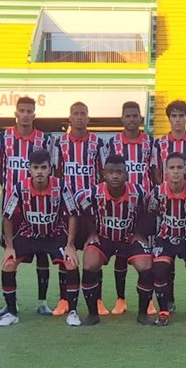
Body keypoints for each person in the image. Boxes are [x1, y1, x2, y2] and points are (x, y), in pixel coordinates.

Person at [0, 150, 80, 327]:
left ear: (50, 169)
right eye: (36, 168)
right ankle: (11, 312)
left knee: (71, 262)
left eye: (44, 167)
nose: (40, 172)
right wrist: (10, 246)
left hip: (54, 233)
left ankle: (72, 311)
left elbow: (73, 214)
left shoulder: (61, 186)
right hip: (29, 233)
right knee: (8, 263)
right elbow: (7, 216)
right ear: (29, 169)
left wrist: (70, 244)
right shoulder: (20, 187)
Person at [0, 96, 55, 317]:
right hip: (12, 205)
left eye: (30, 111)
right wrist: (10, 187)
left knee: (42, 253)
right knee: (11, 252)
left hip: (39, 205)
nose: (26, 114)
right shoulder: (3, 137)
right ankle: (11, 302)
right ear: (16, 113)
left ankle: (42, 301)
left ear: (34, 114)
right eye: (22, 110)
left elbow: (51, 170)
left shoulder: (45, 140)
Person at [75, 154, 154, 326]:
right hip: (104, 238)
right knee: (89, 264)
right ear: (104, 174)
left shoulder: (139, 192)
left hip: (128, 239)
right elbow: (80, 207)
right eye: (110, 172)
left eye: (119, 172)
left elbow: (148, 212)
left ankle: (143, 314)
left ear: (126, 174)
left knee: (146, 266)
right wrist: (91, 232)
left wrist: (140, 232)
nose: (115, 176)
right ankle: (92, 314)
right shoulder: (94, 193)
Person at [102, 101, 157, 315]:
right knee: (120, 255)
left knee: (146, 253)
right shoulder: (113, 143)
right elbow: (106, 172)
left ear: (141, 119)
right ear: (122, 118)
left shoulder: (150, 143)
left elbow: (154, 172)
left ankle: (148, 300)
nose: (132, 119)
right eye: (128, 116)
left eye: (135, 116)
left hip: (143, 207)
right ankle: (120, 299)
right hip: (119, 205)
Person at [151, 100, 186, 312]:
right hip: (167, 203)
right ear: (169, 119)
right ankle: (169, 300)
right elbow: (156, 170)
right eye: (174, 116)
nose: (178, 120)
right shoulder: (160, 144)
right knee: (166, 260)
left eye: (181, 116)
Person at [52, 101, 106, 313]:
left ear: (88, 117)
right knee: (66, 254)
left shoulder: (98, 143)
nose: (80, 117)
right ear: (70, 117)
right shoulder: (59, 144)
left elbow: (104, 174)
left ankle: (98, 300)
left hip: (90, 211)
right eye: (76, 114)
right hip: (66, 210)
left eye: (83, 113)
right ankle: (64, 300)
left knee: (94, 255)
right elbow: (56, 173)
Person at [149, 152, 186, 327]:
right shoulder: (157, 193)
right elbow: (150, 214)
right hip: (165, 238)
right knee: (159, 269)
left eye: (179, 168)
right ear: (165, 171)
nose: (175, 172)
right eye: (172, 168)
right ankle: (163, 313)